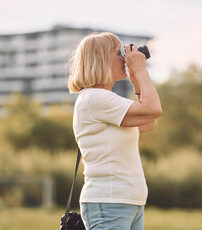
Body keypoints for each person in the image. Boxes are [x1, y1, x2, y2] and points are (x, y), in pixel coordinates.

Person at [67, 32, 162, 230]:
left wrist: (136, 80)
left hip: (127, 200)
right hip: (109, 201)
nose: (124, 57)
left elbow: (149, 121)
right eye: (117, 52)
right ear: (101, 59)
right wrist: (141, 70)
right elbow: (153, 109)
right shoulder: (94, 98)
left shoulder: (106, 100)